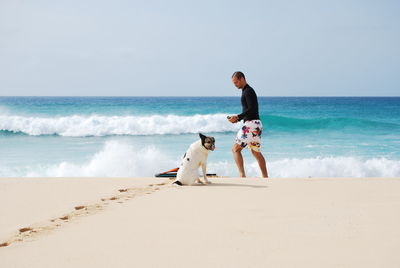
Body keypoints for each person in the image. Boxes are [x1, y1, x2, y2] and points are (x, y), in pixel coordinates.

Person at [227, 71, 268, 178]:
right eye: (233, 83)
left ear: (242, 79)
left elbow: (252, 109)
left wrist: (238, 117)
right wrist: (238, 119)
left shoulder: (248, 91)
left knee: (235, 149)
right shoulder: (247, 91)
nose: (235, 85)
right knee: (256, 152)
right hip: (256, 124)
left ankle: (242, 175)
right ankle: (265, 177)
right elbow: (250, 110)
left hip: (251, 124)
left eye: (236, 82)